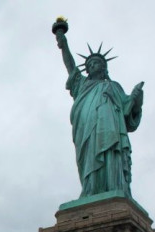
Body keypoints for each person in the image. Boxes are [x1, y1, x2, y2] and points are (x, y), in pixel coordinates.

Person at [55, 29, 144, 198]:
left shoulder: (113, 86)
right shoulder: (81, 85)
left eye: (96, 63)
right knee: (88, 158)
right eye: (89, 65)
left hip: (110, 129)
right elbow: (71, 66)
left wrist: (137, 100)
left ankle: (113, 187)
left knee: (111, 154)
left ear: (104, 68)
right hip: (85, 127)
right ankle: (90, 190)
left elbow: (129, 112)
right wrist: (63, 43)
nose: (92, 65)